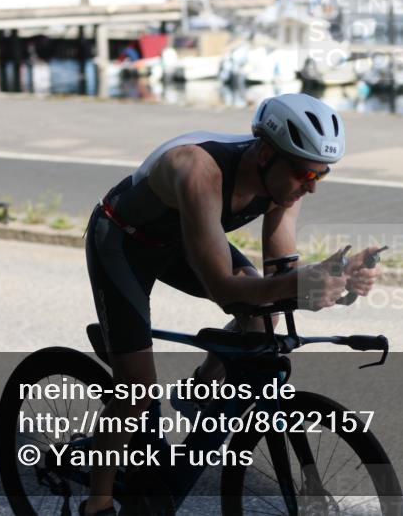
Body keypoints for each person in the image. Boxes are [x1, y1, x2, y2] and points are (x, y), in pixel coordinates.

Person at [80, 93, 384, 516]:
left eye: (321, 174)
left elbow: (280, 279)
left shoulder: (285, 186)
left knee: (264, 319)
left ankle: (199, 390)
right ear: (264, 153)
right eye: (303, 173)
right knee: (137, 389)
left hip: (181, 242)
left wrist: (340, 280)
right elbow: (225, 291)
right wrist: (298, 285)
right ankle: (97, 502)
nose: (311, 185)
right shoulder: (197, 170)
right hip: (123, 243)